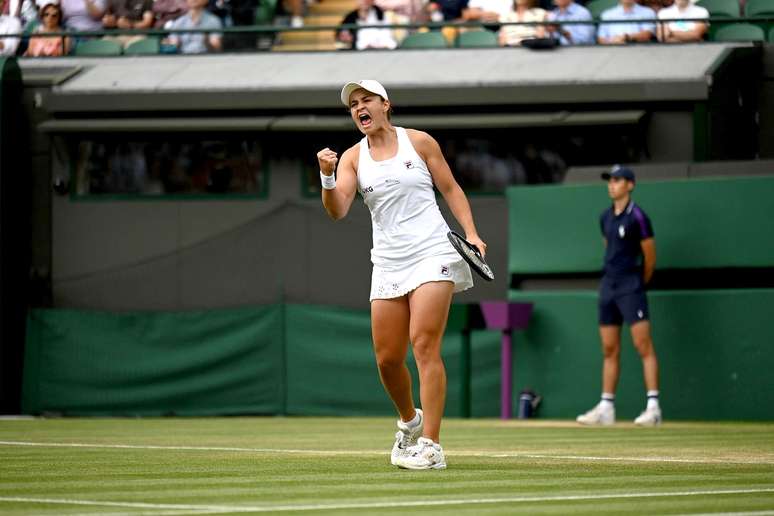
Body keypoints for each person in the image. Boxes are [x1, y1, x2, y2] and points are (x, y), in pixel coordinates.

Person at [316, 80, 487, 470]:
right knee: (388, 359)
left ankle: (432, 446)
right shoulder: (352, 158)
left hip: (434, 250)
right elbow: (337, 210)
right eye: (353, 104)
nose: (360, 108)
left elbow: (450, 188)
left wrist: (472, 233)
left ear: (385, 105)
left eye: (367, 100)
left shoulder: (420, 142)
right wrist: (327, 176)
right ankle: (411, 422)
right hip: (388, 262)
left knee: (423, 344)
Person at [577, 165, 662, 427]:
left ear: (630, 185)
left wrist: (636, 282)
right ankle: (606, 407)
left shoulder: (639, 217)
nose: (611, 185)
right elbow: (609, 247)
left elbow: (650, 257)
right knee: (609, 348)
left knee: (643, 345)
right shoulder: (605, 217)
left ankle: (653, 408)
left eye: (617, 180)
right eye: (610, 180)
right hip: (609, 286)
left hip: (631, 286)